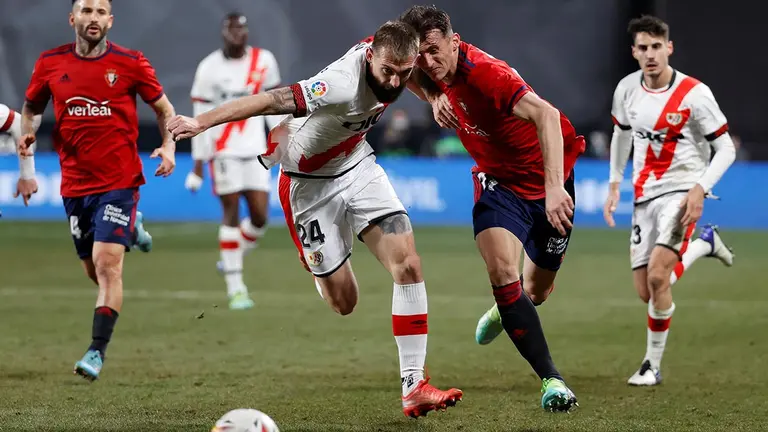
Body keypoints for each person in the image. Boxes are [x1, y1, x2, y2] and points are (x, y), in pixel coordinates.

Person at [168, 20, 463, 418]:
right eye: (387, 72)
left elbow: (406, 73)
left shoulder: (394, 60)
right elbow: (270, 101)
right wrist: (200, 123)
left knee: (408, 263)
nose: (394, 82)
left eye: (403, 73)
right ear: (371, 56)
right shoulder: (340, 82)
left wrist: (429, 95)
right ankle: (316, 261)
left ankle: (413, 384)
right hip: (306, 186)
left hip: (357, 165)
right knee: (345, 303)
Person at [399, 5, 583, 412]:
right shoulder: (426, 67)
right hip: (498, 185)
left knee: (537, 290)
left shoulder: (487, 74)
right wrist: (432, 96)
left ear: (454, 42)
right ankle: (552, 380)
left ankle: (509, 308)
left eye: (434, 50)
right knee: (502, 272)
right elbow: (404, 68)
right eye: (420, 55)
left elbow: (547, 115)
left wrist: (554, 188)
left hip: (548, 182)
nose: (428, 63)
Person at [16, 0, 177, 381]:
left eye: (101, 12)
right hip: (75, 185)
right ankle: (132, 229)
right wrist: (28, 136)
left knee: (107, 266)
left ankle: (95, 352)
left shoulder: (131, 62)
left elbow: (166, 111)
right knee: (93, 269)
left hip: (119, 182)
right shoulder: (50, 63)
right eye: (86, 11)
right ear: (73, 19)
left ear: (110, 21)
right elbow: (30, 109)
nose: (94, 18)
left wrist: (169, 146)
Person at [603, 15, 735, 386]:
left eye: (656, 46)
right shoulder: (627, 89)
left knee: (660, 277)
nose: (650, 54)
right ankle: (704, 245)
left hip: (682, 192)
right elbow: (621, 134)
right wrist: (615, 184)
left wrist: (700, 187)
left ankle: (651, 366)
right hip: (644, 195)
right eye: (643, 48)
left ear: (669, 48)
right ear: (634, 52)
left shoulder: (695, 94)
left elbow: (725, 148)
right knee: (647, 290)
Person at [185, 12, 283, 310]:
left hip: (255, 149)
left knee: (260, 217)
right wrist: (198, 166)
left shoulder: (264, 61)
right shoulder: (209, 68)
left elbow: (275, 106)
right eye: (231, 30)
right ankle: (236, 287)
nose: (237, 35)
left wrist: (282, 144)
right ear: (223, 33)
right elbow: (198, 120)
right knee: (230, 211)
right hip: (223, 150)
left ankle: (231, 256)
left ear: (247, 32)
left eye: (241, 29)